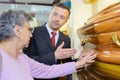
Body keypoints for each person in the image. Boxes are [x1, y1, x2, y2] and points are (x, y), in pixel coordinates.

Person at [0, 10, 96, 80]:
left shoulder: (22, 58)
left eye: (62, 17)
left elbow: (48, 70)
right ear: (17, 31)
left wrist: (79, 62)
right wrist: (54, 56)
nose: (31, 34)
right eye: (29, 29)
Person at [23, 3, 74, 80]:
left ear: (66, 21)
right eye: (55, 14)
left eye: (62, 17)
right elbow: (26, 60)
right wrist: (54, 56)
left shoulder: (66, 39)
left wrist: (79, 60)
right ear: (49, 14)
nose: (57, 19)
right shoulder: (33, 32)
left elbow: (67, 63)